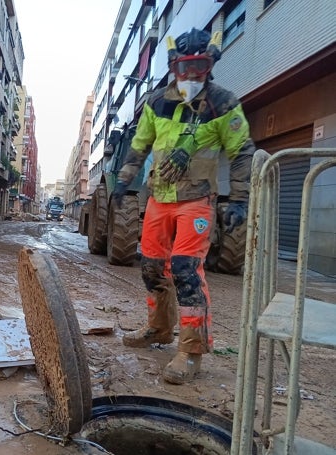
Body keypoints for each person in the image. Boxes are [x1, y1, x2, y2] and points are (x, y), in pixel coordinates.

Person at [112, 28, 255, 384]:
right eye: (185, 66)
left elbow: (241, 153)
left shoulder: (224, 104)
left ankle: (191, 351)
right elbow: (139, 145)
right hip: (160, 199)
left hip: (196, 201)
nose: (192, 74)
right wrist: (124, 180)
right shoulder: (156, 102)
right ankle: (159, 329)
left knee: (186, 270)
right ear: (174, 65)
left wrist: (240, 199)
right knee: (150, 267)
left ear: (210, 64)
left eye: (200, 65)